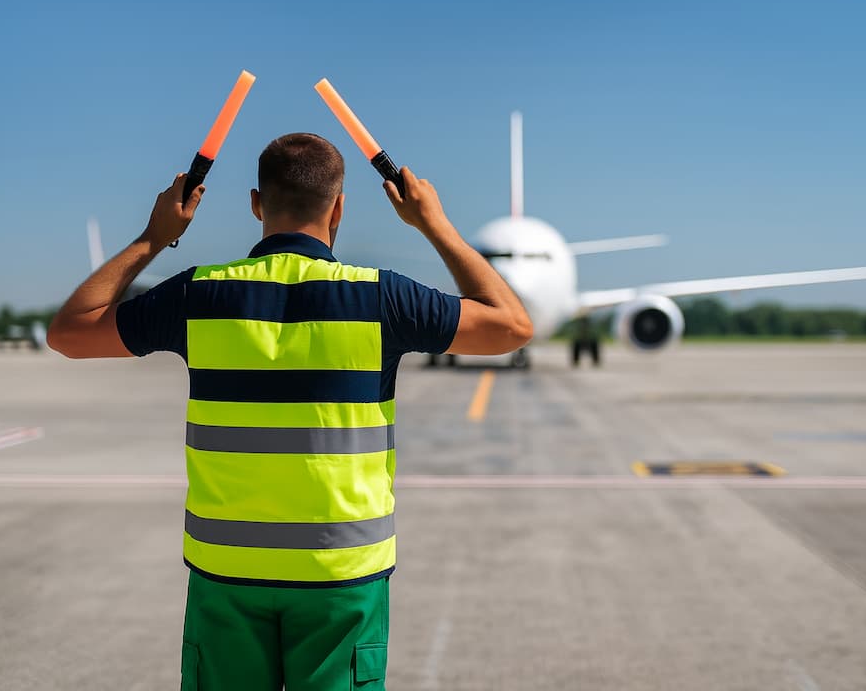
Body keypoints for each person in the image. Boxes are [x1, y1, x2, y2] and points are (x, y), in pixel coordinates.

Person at [47, 132, 532, 690]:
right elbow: (511, 326)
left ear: (257, 203)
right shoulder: (381, 299)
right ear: (339, 207)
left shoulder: (199, 295)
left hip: (228, 571)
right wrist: (432, 225)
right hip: (341, 574)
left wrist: (154, 238)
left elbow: (69, 332)